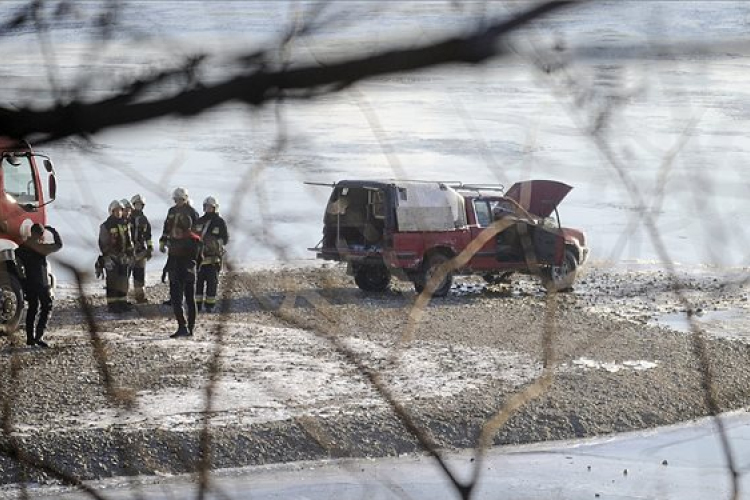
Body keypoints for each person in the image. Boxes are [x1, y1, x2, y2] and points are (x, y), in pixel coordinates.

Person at [16, 224, 62, 347]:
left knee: (32, 309)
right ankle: (39, 336)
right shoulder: (41, 248)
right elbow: (59, 245)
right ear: (41, 235)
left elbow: (16, 261)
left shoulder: (21, 248)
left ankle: (30, 338)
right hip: (41, 283)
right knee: (46, 307)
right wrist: (53, 230)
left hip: (28, 284)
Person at [165, 213, 202, 338]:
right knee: (190, 300)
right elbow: (199, 258)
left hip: (177, 272)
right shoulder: (195, 239)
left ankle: (182, 326)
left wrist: (166, 269)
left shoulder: (176, 239)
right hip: (190, 272)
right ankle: (191, 328)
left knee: (177, 301)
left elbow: (172, 256)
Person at [99, 200, 135, 313]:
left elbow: (128, 240)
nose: (119, 213)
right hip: (112, 258)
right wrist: (108, 256)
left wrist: (130, 252)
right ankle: (112, 305)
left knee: (123, 281)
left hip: (124, 258)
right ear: (112, 211)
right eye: (117, 211)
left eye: (120, 210)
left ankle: (122, 302)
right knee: (112, 282)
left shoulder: (124, 224)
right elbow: (103, 243)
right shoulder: (106, 225)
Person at [194, 196, 229, 312]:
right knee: (198, 283)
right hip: (199, 259)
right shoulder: (199, 221)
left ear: (215, 208)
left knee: (212, 283)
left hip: (213, 260)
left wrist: (215, 243)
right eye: (206, 207)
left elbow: (225, 239)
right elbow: (193, 236)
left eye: (210, 207)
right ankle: (197, 305)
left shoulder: (219, 222)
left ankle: (210, 306)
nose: (208, 209)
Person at [159, 187, 199, 254]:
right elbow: (166, 227)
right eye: (176, 199)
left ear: (185, 199)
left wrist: (195, 244)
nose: (179, 201)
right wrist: (163, 241)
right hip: (173, 244)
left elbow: (197, 230)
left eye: (181, 199)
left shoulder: (191, 211)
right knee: (171, 264)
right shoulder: (172, 211)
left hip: (187, 246)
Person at [129, 194, 153, 303]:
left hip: (141, 251)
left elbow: (148, 235)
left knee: (139, 274)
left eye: (140, 205)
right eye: (137, 204)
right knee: (126, 274)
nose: (138, 206)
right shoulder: (128, 218)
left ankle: (140, 296)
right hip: (129, 251)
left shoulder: (144, 219)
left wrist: (150, 247)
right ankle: (122, 298)